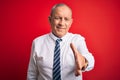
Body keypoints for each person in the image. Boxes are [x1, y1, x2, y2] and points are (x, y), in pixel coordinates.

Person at [27, 3, 95, 80]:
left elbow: (90, 60)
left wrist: (84, 62)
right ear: (50, 20)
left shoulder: (78, 40)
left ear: (71, 22)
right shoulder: (37, 42)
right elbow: (32, 73)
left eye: (66, 19)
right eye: (57, 18)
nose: (62, 23)